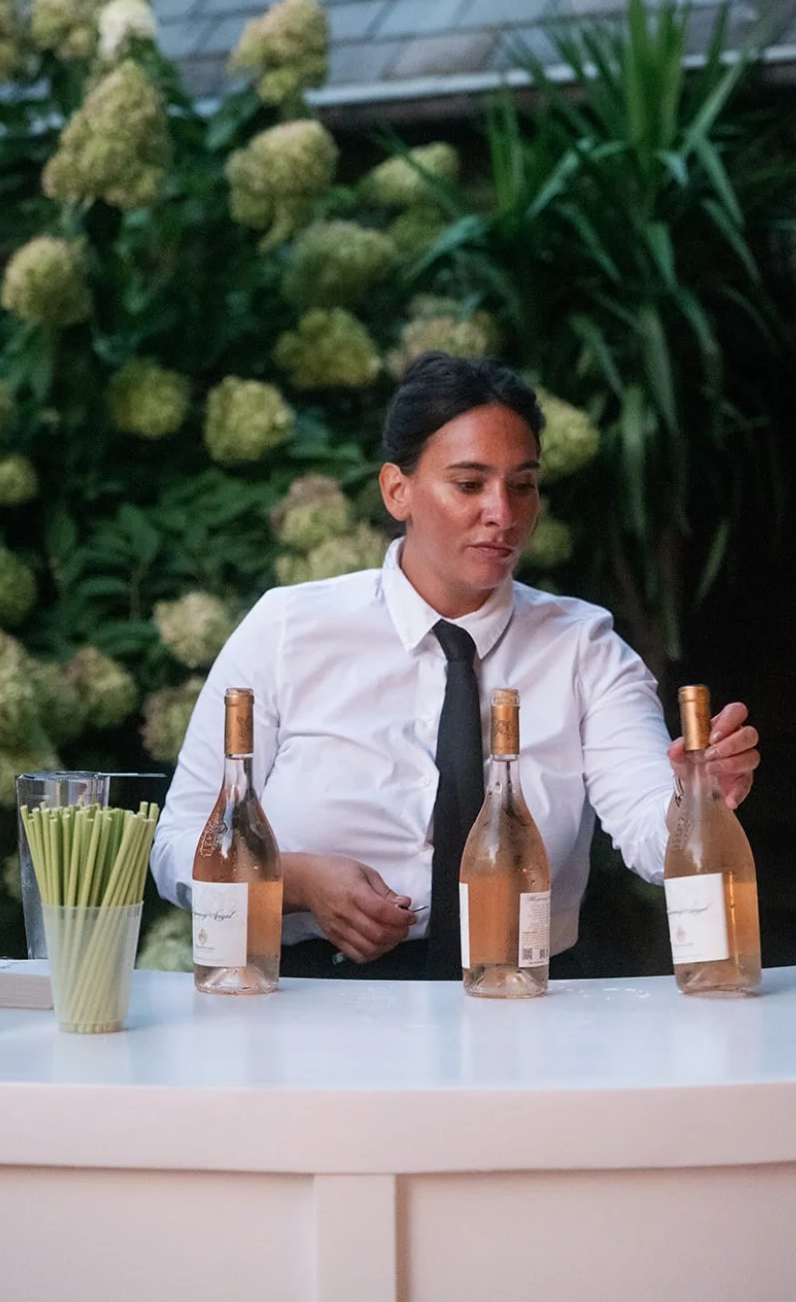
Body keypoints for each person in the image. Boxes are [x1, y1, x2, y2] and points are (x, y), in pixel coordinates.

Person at [150, 352, 760, 978]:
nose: (503, 513)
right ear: (398, 490)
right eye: (470, 485)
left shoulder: (583, 648)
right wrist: (296, 880)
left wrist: (698, 801)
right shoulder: (287, 630)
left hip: (521, 994)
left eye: (522, 486)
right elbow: (176, 848)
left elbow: (653, 836)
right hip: (309, 998)